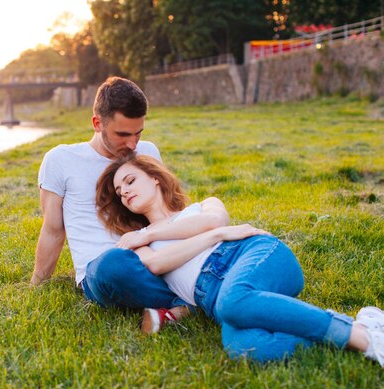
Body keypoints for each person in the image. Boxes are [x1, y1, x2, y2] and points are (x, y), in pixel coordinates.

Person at [94, 153, 384, 365]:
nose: (126, 192)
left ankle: (365, 339)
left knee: (234, 301)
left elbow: (214, 220)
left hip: (253, 256)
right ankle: (355, 324)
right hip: (217, 299)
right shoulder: (138, 240)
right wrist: (210, 236)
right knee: (244, 348)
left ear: (155, 177)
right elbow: (158, 263)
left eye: (130, 181)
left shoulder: (203, 204)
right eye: (120, 192)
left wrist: (214, 232)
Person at [31, 76, 226, 319]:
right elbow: (52, 230)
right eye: (123, 134)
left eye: (138, 133)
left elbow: (169, 210)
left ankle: (195, 298)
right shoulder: (61, 159)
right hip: (108, 269)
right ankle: (198, 299)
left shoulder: (148, 151)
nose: (133, 144)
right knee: (113, 265)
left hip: (160, 257)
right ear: (97, 123)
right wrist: (36, 286)